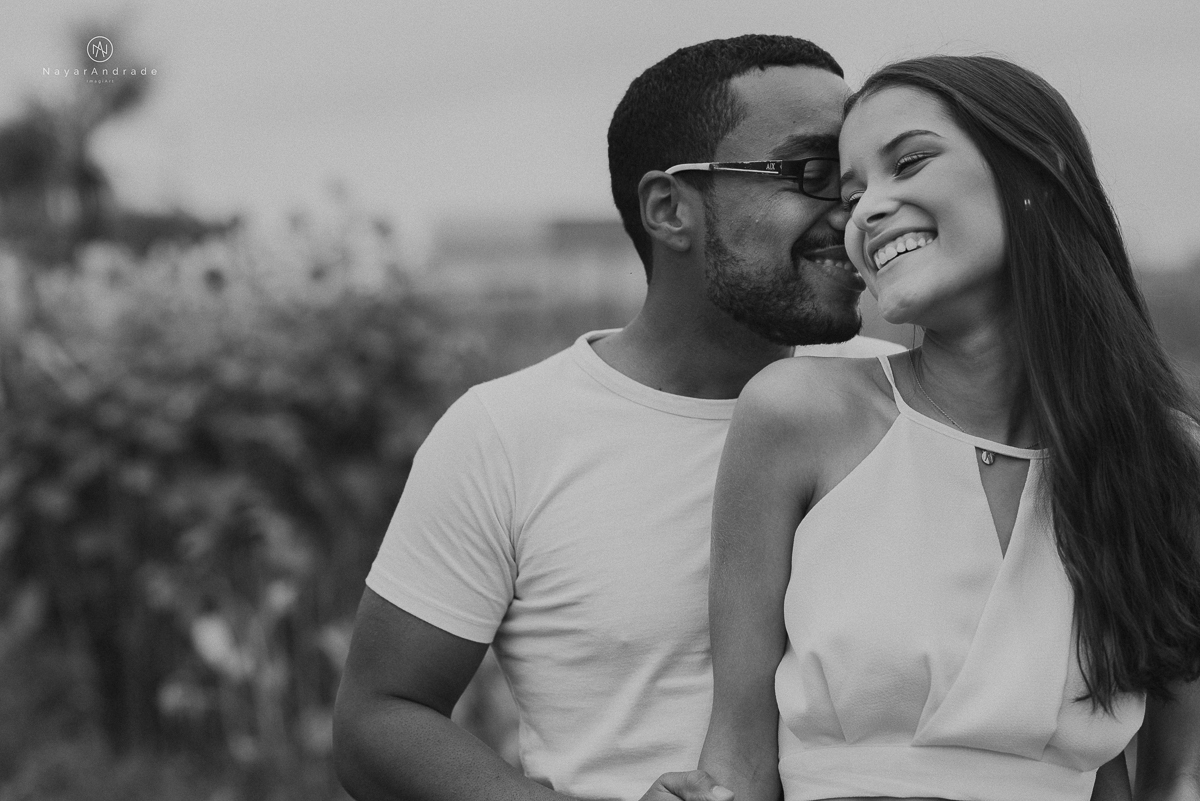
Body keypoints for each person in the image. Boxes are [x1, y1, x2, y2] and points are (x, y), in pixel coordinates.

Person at [331, 34, 903, 801]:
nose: (857, 210)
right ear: (670, 209)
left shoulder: (908, 400)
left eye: (864, 178)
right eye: (811, 173)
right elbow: (379, 717)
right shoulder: (506, 434)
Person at [698, 55, 1200, 801]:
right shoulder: (798, 413)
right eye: (852, 192)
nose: (865, 212)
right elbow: (735, 762)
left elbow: (1172, 772)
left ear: (1036, 171)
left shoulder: (1166, 457)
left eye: (909, 162)